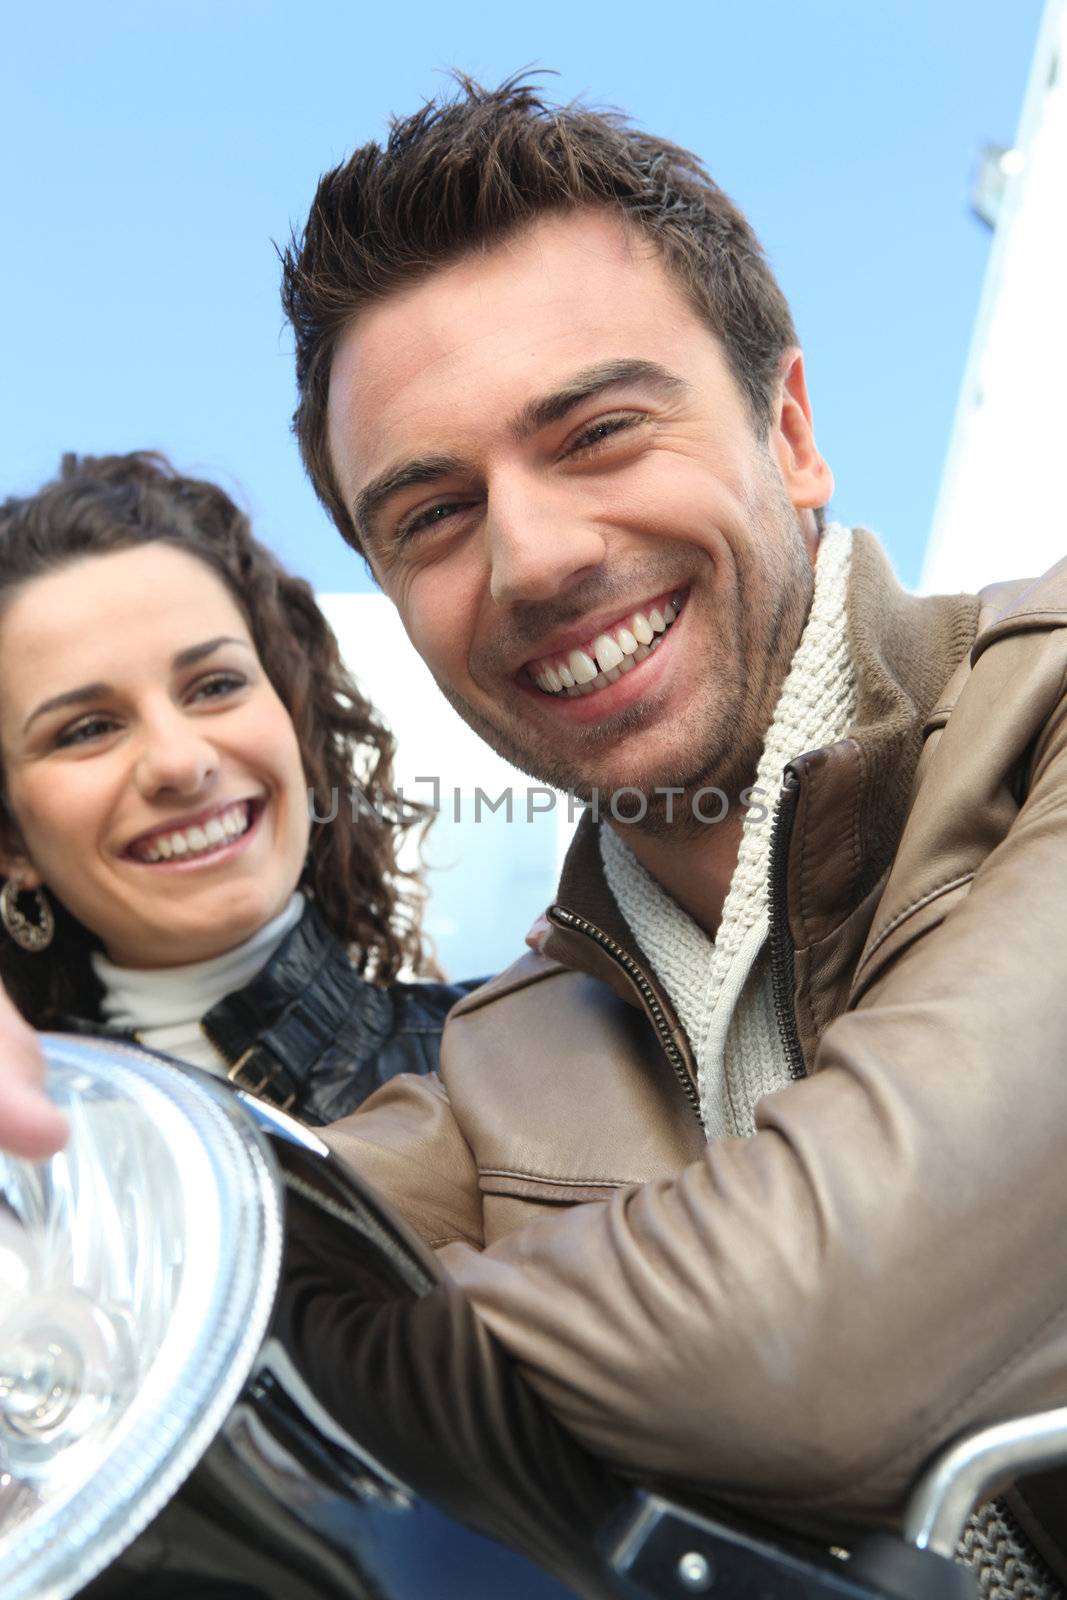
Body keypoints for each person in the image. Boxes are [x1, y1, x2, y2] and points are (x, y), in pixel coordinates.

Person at [5, 77, 1067, 1594]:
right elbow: (129, 1330)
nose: (536, 555)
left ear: (791, 430)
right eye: (429, 515)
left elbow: (806, 1339)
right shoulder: (501, 1057)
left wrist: (304, 1348)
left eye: (598, 432)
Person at [0, 450, 471, 1128]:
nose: (180, 762)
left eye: (215, 686)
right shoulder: (28, 1168)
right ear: (11, 838)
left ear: (293, 720)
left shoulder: (533, 1052)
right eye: (87, 729)